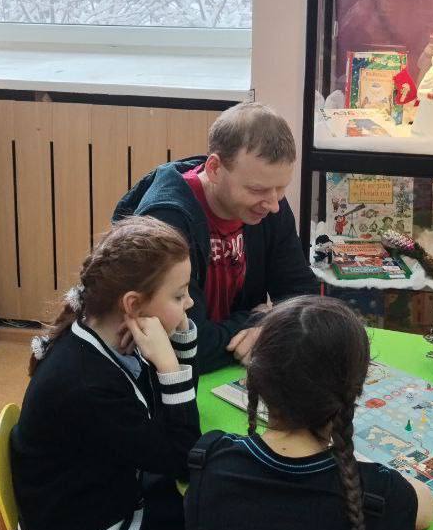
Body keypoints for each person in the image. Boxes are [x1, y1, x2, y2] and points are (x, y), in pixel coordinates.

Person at [183, 297, 433, 530]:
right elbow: (425, 507)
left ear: (255, 379)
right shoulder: (374, 494)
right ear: (353, 392)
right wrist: (392, 527)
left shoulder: (210, 458)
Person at [10, 217, 201, 530]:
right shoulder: (88, 386)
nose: (190, 304)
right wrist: (169, 366)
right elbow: (184, 457)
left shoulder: (107, 336)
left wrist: (176, 343)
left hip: (99, 507)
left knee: (212, 518)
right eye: (179, 295)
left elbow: (163, 422)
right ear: (132, 304)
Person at [113, 102, 318, 369]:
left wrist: (269, 326)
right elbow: (183, 341)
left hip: (231, 367)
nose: (273, 204)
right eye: (257, 189)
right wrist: (260, 321)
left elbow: (304, 299)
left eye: (281, 188)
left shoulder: (268, 204)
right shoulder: (166, 220)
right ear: (214, 169)